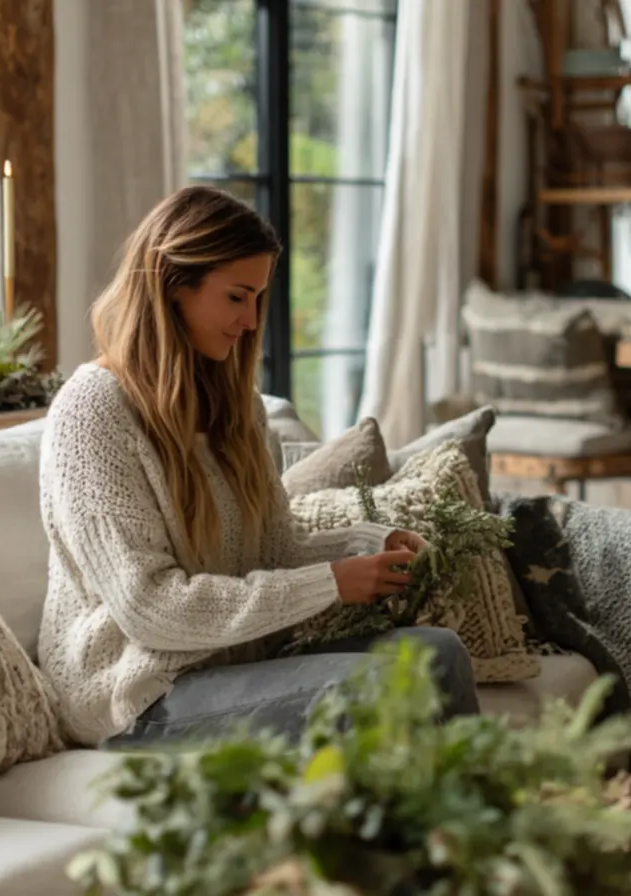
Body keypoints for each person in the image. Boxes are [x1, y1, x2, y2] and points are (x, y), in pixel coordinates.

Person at [36, 185, 480, 748]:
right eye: (236, 297)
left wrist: (366, 546)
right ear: (174, 285)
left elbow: (272, 550)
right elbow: (148, 608)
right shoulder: (92, 412)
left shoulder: (237, 406)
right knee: (378, 686)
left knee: (436, 652)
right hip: (136, 693)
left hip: (227, 669)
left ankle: (469, 831)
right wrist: (332, 583)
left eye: (258, 300)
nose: (250, 322)